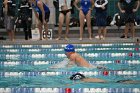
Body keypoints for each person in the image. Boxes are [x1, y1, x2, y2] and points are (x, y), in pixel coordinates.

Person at [69, 73, 140, 84]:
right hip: (110, 81)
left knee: (126, 82)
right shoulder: (87, 78)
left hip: (111, 83)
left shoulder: (84, 81)